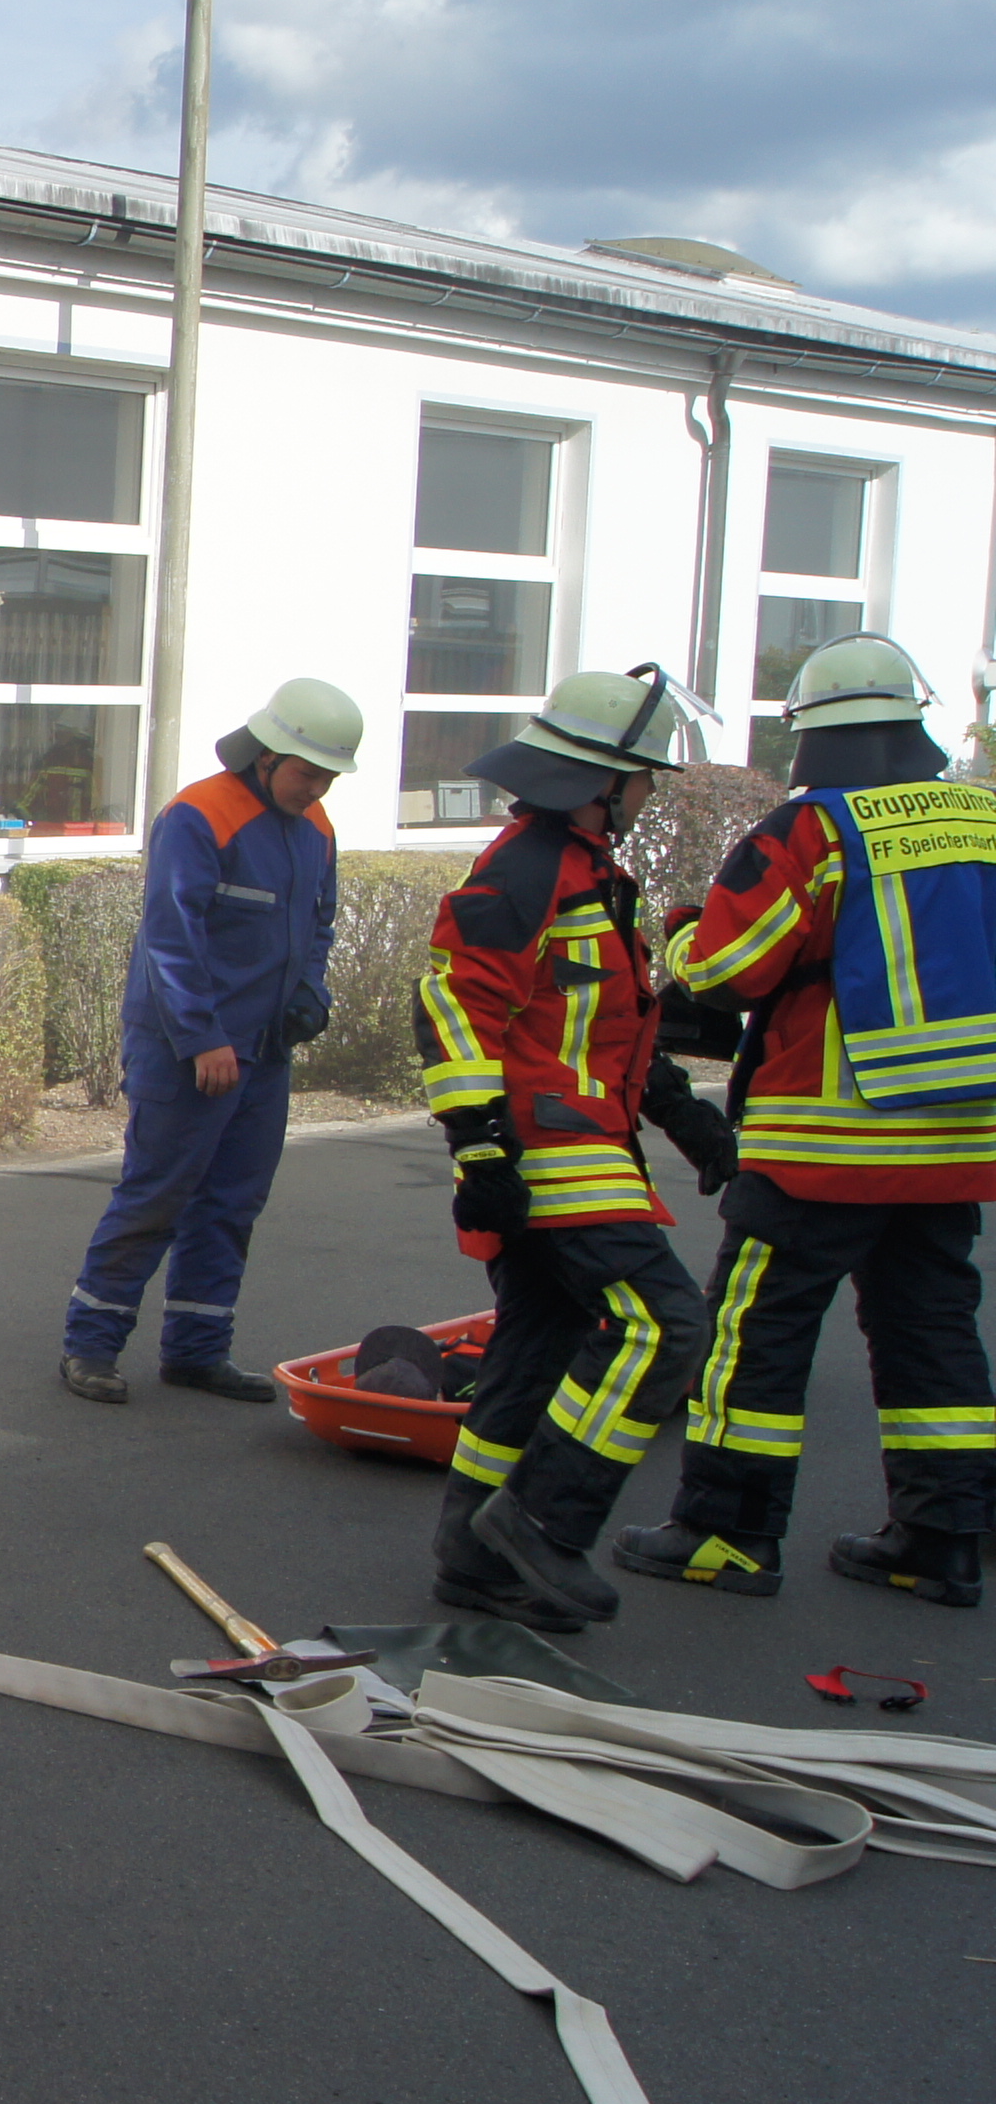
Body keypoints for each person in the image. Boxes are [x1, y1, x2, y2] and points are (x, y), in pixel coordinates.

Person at [617, 635, 996, 1610]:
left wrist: (684, 932)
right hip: (959, 1142)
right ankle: (944, 1541)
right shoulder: (984, 818)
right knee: (932, 1332)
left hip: (824, 1142)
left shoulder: (813, 830)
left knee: (758, 1331)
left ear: (812, 733)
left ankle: (726, 1535)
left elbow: (729, 968)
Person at [412, 664, 725, 1631]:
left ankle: (475, 1559)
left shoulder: (588, 873)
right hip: (550, 1149)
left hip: (578, 1141)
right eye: (646, 778)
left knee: (538, 1346)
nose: (650, 794)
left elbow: (602, 1023)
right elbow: (454, 1005)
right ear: (605, 780)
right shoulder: (530, 867)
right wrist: (479, 1150)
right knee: (665, 1326)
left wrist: (682, 1114)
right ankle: (542, 1524)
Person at [59, 679, 360, 1404]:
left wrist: (310, 996)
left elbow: (319, 923)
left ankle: (196, 1351)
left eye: (328, 777)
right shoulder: (198, 815)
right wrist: (201, 1038)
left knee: (231, 1204)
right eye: (308, 772)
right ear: (268, 755)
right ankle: (89, 1347)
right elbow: (172, 936)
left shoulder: (316, 826)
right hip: (183, 1048)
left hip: (263, 1050)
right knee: (156, 1197)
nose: (317, 788)